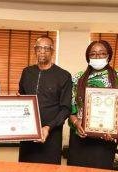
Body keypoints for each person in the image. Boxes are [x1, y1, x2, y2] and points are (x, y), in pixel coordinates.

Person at [67, 40, 118, 169]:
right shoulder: (77, 78)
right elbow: (70, 108)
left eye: (102, 53)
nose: (97, 57)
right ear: (88, 57)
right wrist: (77, 123)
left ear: (108, 56)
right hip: (80, 137)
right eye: (93, 54)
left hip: (105, 140)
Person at [18, 35, 72, 165]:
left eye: (46, 48)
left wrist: (48, 127)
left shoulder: (63, 75)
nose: (42, 51)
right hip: (27, 132)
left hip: (51, 134)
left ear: (52, 51)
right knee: (25, 171)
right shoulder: (27, 72)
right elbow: (22, 97)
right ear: (35, 50)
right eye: (39, 48)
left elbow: (65, 109)